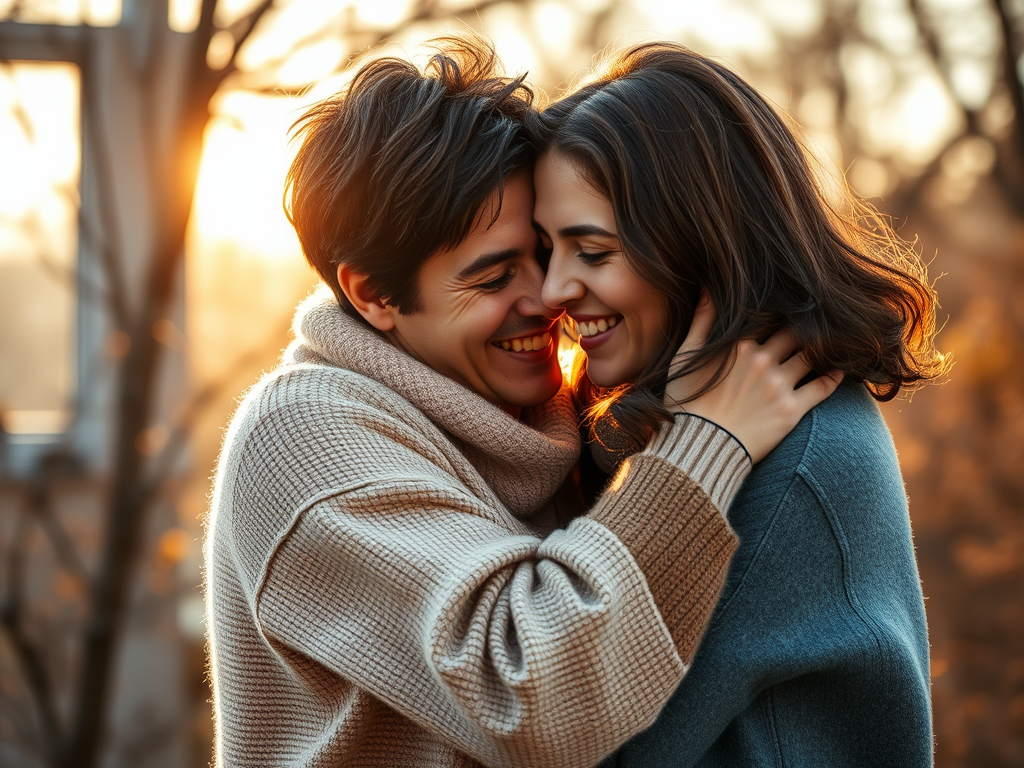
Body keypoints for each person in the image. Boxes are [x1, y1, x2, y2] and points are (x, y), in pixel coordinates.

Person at [204, 36, 840, 768]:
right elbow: (531, 694)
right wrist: (707, 441)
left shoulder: (544, 411)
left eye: (544, 250)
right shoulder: (305, 435)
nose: (546, 296)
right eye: (494, 274)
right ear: (373, 295)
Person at [531, 42, 948, 768]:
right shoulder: (649, 415)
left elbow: (584, 745)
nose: (552, 290)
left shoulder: (797, 465)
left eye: (592, 252)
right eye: (546, 249)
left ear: (696, 244)